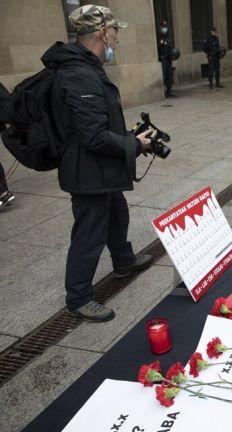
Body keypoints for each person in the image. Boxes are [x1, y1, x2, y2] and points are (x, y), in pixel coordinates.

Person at [43, 5, 155, 322]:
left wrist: (131, 137)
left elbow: (96, 124)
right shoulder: (77, 74)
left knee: (116, 214)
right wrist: (134, 144)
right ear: (103, 33)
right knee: (89, 232)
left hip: (102, 169)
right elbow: (92, 136)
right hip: (87, 172)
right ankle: (78, 297)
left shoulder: (86, 66)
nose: (116, 40)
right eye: (115, 33)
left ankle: (123, 261)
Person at [157, 20, 176, 97]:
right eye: (163, 27)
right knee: (164, 76)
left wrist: (173, 55)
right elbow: (158, 49)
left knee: (169, 76)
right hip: (163, 59)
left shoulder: (168, 38)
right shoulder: (159, 39)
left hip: (168, 59)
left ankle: (169, 91)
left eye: (165, 27)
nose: (164, 29)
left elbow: (171, 48)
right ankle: (164, 92)